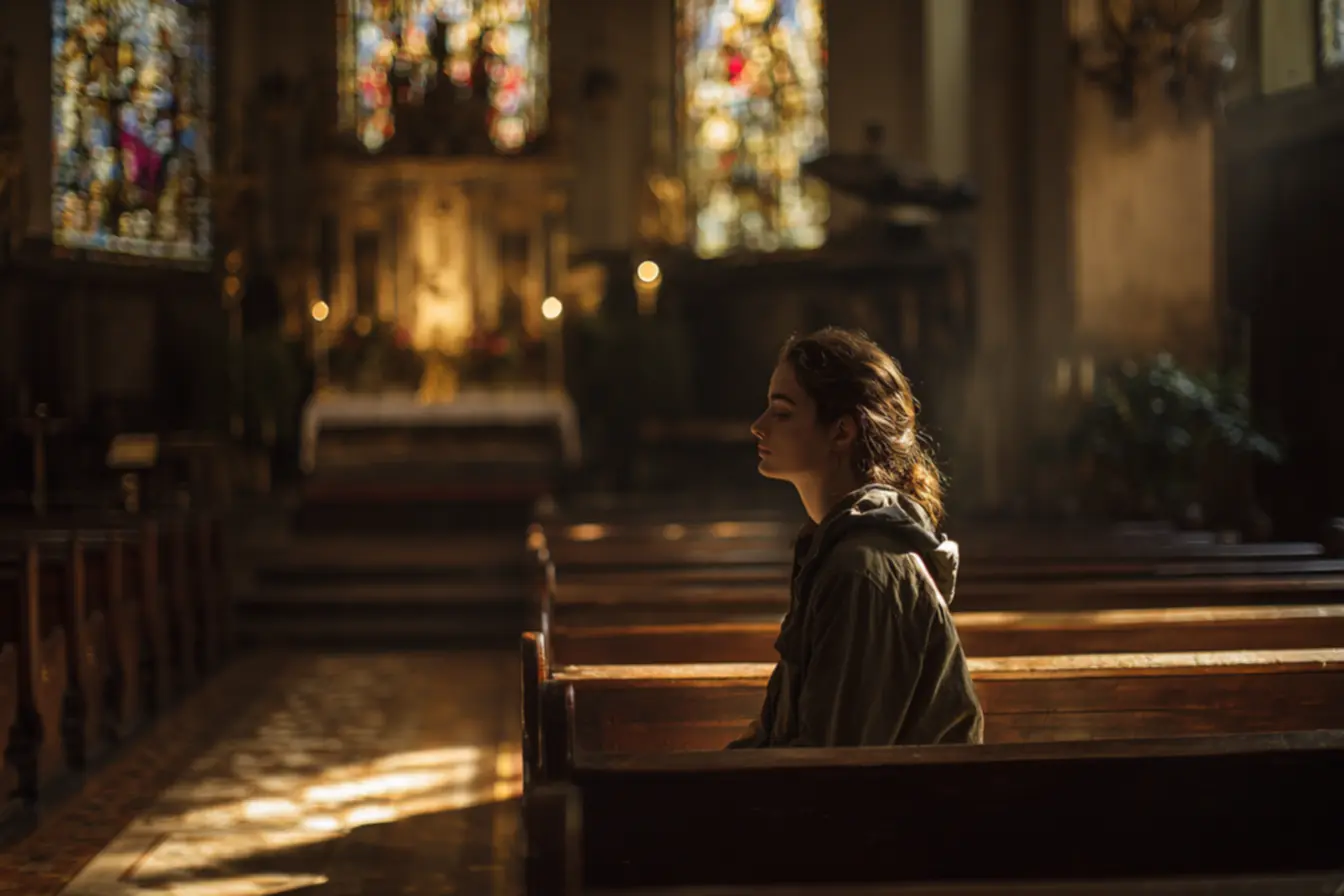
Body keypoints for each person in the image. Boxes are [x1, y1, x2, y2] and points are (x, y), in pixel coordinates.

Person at [728, 327, 983, 748]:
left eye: (783, 411)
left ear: (841, 433)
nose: (758, 427)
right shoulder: (838, 549)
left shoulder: (861, 570)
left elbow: (835, 765)